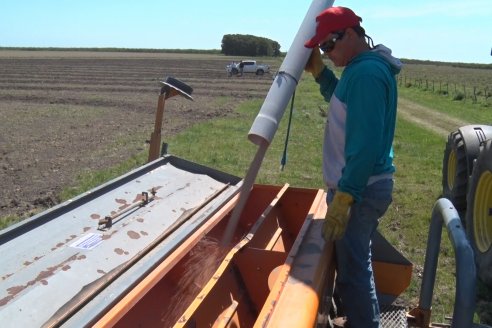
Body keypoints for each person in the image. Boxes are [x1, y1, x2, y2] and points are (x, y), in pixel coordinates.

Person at [304, 6, 402, 328]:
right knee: (358, 263)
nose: (326, 53)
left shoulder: (365, 75)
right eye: (321, 50)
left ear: (349, 34)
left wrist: (346, 196)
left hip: (360, 189)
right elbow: (343, 103)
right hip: (365, 185)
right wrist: (321, 74)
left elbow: (363, 145)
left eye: (328, 47)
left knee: (355, 272)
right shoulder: (361, 70)